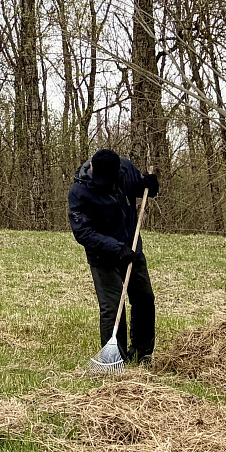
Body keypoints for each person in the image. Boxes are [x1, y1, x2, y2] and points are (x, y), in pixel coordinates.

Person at [69, 148, 161, 372]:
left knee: (144, 299)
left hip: (132, 247)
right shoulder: (80, 191)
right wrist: (116, 248)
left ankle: (141, 353)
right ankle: (115, 359)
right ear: (92, 168)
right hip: (103, 255)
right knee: (112, 307)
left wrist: (148, 184)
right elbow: (83, 232)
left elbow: (139, 187)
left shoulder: (126, 169)